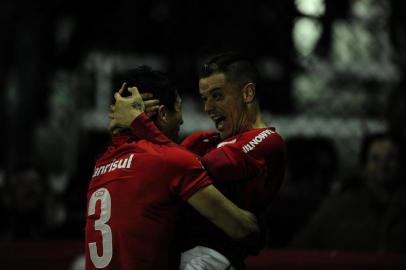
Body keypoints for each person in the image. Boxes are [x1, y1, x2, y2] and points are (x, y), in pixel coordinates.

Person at [110, 53, 286, 269]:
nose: (208, 108)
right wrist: (126, 131)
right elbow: (163, 167)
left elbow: (205, 167)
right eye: (205, 98)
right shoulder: (202, 140)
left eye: (217, 96)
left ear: (248, 93)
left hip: (211, 257)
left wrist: (141, 124)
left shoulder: (267, 140)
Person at [290, 132, 406, 251]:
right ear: (364, 167)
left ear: (401, 166)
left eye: (391, 158)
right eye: (375, 159)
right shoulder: (338, 207)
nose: (383, 165)